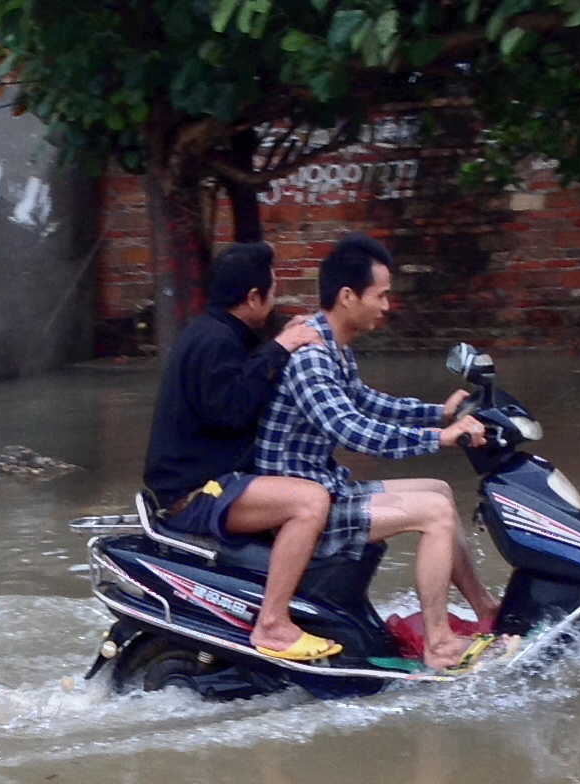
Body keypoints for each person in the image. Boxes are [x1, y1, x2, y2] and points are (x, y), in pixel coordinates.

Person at [254, 233, 499, 671]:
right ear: (348, 297)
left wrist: (441, 413)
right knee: (435, 514)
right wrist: (441, 438)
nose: (387, 306)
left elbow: (367, 402)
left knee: (440, 491)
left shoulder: (333, 347)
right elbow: (355, 432)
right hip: (308, 502)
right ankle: (440, 645)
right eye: (381, 295)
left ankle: (484, 609)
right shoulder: (312, 357)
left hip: (326, 486)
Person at [139, 240, 342, 661]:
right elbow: (231, 411)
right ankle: (273, 624)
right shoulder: (215, 342)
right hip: (192, 496)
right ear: (252, 298)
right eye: (273, 291)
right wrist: (281, 347)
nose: (276, 300)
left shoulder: (218, 333)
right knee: (310, 502)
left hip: (209, 485)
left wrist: (281, 342)